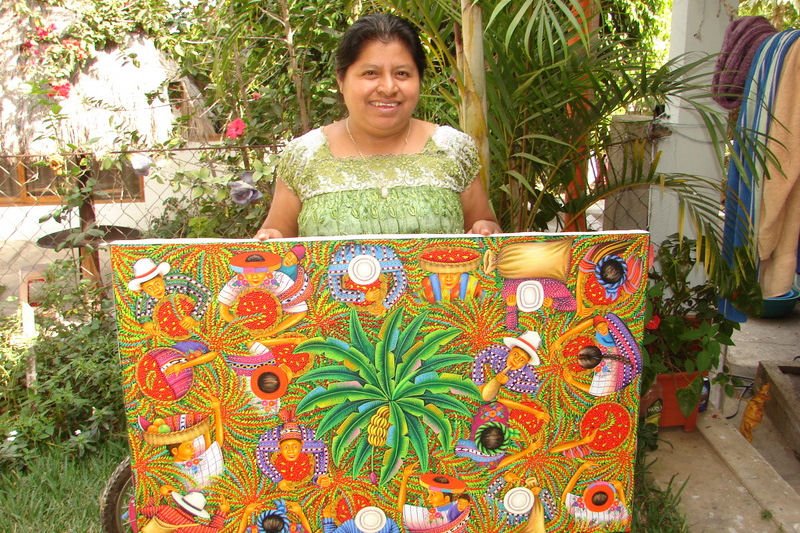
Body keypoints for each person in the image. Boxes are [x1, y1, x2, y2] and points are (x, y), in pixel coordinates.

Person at [253, 13, 501, 240]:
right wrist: (269, 239)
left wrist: (486, 230)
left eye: (402, 74)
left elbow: (483, 226)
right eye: (371, 73)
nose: (388, 87)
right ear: (341, 79)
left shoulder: (452, 149)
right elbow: (278, 240)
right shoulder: (303, 156)